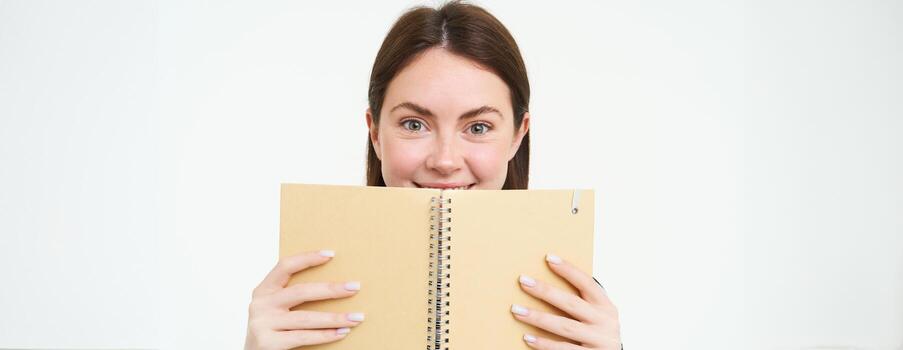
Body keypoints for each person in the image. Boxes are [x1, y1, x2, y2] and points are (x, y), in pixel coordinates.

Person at [245, 1, 622, 349]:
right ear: (375, 133)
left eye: (477, 127)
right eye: (414, 124)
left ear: (517, 137)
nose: (445, 160)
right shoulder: (303, 296)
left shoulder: (573, 306)